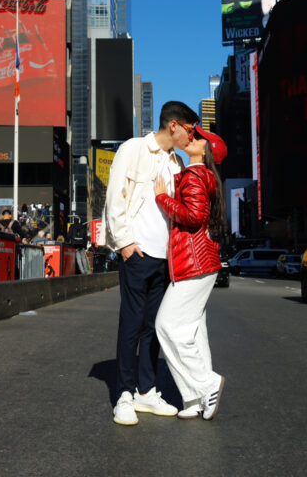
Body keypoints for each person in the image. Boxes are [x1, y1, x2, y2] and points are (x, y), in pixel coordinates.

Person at [98, 101, 199, 426]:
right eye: (189, 129)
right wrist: (124, 243)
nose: (191, 135)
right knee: (131, 322)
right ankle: (124, 395)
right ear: (174, 125)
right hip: (138, 254)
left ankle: (146, 390)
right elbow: (116, 196)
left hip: (164, 257)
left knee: (153, 326)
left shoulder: (176, 163)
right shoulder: (134, 149)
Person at [153, 125, 228, 421]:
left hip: (193, 262)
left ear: (206, 151)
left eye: (198, 139)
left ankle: (207, 383)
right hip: (200, 262)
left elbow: (194, 217)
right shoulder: (201, 176)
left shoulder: (196, 175)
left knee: (166, 325)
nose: (193, 138)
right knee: (193, 332)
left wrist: (163, 198)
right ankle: (196, 399)